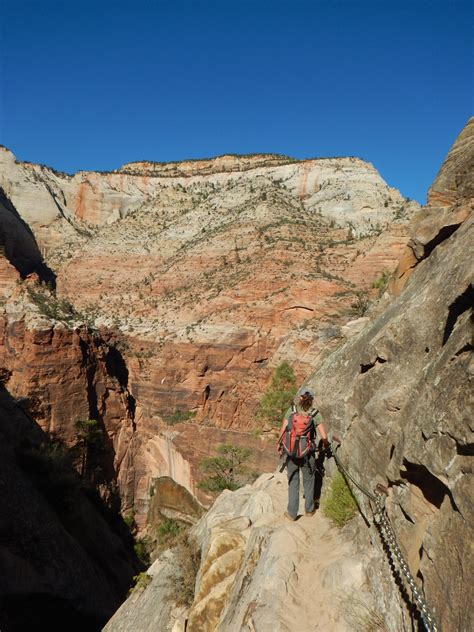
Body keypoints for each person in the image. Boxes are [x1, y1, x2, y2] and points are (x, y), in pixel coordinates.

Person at [278, 387, 329, 521]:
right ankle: (309, 510)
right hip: (307, 453)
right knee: (309, 480)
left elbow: (283, 430)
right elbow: (324, 436)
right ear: (312, 399)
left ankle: (292, 513)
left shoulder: (291, 411)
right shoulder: (315, 414)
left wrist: (280, 445)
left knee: (293, 481)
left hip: (291, 453)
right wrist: (326, 445)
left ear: (300, 397)